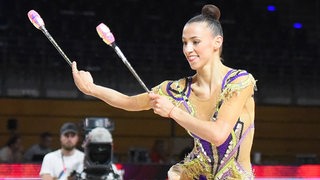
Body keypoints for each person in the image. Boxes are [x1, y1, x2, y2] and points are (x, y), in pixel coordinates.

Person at [72, 4, 256, 179]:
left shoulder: (239, 82)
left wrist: (172, 111)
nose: (188, 49)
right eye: (184, 43)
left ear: (217, 42)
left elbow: (218, 134)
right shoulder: (178, 89)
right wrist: (92, 88)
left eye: (195, 42)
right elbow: (128, 102)